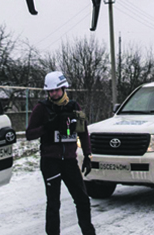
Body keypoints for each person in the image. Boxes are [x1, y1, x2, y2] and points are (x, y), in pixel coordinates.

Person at [26, 71, 96, 235]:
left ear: (64, 89)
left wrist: (87, 155)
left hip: (69, 161)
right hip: (50, 161)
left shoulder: (74, 107)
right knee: (53, 203)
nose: (53, 94)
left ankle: (88, 232)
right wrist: (47, 128)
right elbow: (29, 134)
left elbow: (83, 132)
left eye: (56, 90)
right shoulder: (41, 108)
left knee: (82, 199)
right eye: (50, 91)